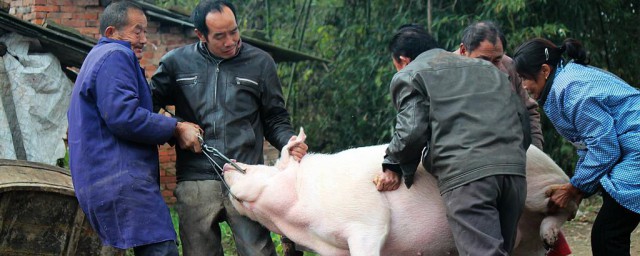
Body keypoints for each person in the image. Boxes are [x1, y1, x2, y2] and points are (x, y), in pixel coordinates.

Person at [150, 1, 308, 255]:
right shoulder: (175, 64)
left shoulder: (261, 63)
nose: (230, 41)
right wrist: (175, 128)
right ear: (201, 35)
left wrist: (288, 142)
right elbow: (144, 110)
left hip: (245, 175)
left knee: (258, 251)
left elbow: (275, 118)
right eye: (220, 36)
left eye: (234, 31)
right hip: (195, 180)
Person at [374, 24, 530, 255]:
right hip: (514, 175)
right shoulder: (488, 69)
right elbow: (521, 119)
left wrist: (393, 163)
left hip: (469, 177)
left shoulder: (411, 73)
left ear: (401, 60)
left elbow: (412, 130)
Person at [67, 1, 203, 255]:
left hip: (102, 177)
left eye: (145, 31)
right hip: (121, 179)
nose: (143, 39)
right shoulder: (116, 55)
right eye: (136, 31)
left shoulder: (96, 57)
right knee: (161, 248)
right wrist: (175, 127)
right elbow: (123, 116)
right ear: (111, 33)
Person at [513, 38, 640, 256]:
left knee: (607, 235)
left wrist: (574, 189)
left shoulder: (573, 91)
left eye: (524, 78)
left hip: (634, 150)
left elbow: (605, 149)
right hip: (629, 149)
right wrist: (578, 191)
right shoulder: (565, 83)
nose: (523, 86)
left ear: (544, 70)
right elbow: (590, 145)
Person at [456, 21, 544, 149]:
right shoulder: (442, 75)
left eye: (497, 60)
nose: (490, 67)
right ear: (464, 51)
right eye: (483, 60)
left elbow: (529, 112)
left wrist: (535, 154)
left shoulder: (509, 66)